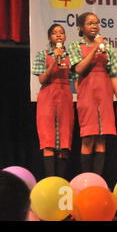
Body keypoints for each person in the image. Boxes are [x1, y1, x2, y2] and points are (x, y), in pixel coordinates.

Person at [68, 12, 117, 176]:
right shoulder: (75, 46)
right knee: (88, 137)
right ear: (81, 27)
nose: (94, 26)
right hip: (87, 94)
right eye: (90, 23)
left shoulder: (107, 47)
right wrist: (94, 48)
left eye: (96, 23)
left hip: (105, 95)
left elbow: (113, 74)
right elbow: (78, 68)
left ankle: (97, 179)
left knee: (101, 139)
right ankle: (87, 178)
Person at [31, 24, 74, 178]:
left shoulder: (71, 55)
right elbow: (42, 79)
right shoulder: (42, 55)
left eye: (61, 33)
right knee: (48, 138)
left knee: (64, 139)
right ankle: (50, 179)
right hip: (47, 96)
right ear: (50, 37)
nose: (58, 35)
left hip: (65, 96)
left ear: (65, 37)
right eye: (55, 33)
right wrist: (54, 60)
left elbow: (77, 77)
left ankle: (61, 180)